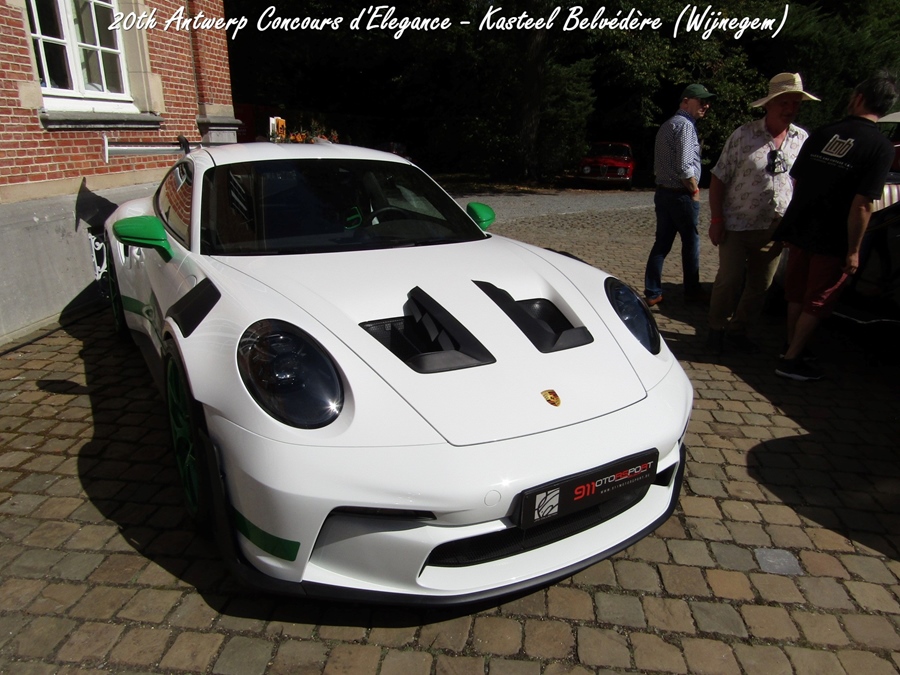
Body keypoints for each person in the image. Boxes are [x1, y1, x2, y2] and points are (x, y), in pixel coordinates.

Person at [773, 72, 898, 381]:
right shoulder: (880, 147)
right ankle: (791, 360)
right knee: (819, 298)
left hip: (802, 226)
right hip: (833, 236)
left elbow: (797, 180)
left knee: (796, 292)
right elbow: (863, 204)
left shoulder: (824, 132)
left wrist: (794, 222)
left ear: (858, 98)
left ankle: (790, 345)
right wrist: (854, 250)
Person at [706, 73, 819, 354]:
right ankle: (716, 328)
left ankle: (739, 330)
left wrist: (794, 226)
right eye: (784, 102)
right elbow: (719, 178)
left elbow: (802, 184)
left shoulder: (801, 139)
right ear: (769, 104)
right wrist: (717, 220)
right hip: (737, 224)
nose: (790, 108)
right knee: (730, 280)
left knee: (761, 285)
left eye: (796, 103)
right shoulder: (744, 135)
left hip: (775, 227)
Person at [644, 83, 716, 307]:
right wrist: (694, 190)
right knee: (691, 243)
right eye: (701, 101)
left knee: (662, 244)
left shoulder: (668, 124)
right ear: (686, 101)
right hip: (680, 194)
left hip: (663, 193)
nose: (706, 105)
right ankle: (692, 291)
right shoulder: (685, 126)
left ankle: (653, 291)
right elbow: (685, 167)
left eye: (707, 102)